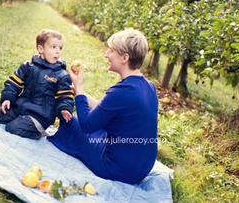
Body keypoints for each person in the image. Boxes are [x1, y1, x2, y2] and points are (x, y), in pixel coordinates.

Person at [47, 29, 158, 184]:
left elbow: (87, 125)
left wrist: (79, 90)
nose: (106, 54)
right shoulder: (149, 87)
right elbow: (106, 109)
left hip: (116, 169)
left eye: (111, 50)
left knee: (71, 121)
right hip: (142, 168)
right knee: (96, 123)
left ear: (125, 57)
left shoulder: (120, 92)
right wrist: (79, 91)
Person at [0, 29, 74, 139]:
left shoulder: (61, 75)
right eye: (53, 47)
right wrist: (8, 98)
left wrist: (65, 108)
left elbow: (65, 96)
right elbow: (13, 83)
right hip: (20, 107)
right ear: (40, 49)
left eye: (60, 48)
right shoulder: (29, 66)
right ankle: (18, 119)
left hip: (40, 116)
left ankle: (38, 132)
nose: (58, 51)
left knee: (13, 128)